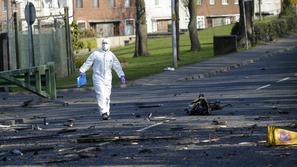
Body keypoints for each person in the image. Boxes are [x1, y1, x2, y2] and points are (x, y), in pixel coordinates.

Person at [79, 38, 126, 120]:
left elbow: (117, 65)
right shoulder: (96, 54)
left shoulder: (111, 55)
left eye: (106, 43)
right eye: (103, 43)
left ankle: (107, 112)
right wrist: (82, 70)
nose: (105, 45)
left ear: (109, 44)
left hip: (108, 78)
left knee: (107, 96)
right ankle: (103, 112)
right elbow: (88, 62)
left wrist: (121, 75)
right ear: (101, 44)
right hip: (98, 77)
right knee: (101, 94)